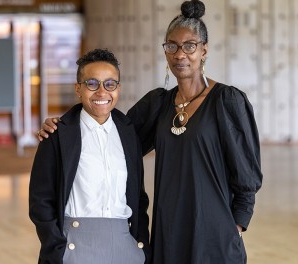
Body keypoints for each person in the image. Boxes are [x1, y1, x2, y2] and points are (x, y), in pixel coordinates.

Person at [38, 0, 263, 263]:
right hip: (169, 231)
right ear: (165, 51)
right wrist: (62, 126)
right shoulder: (158, 104)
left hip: (214, 230)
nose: (180, 54)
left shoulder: (227, 101)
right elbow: (111, 130)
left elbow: (247, 174)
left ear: (204, 50)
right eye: (172, 46)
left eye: (190, 46)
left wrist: (236, 225)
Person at [29, 48, 151, 264]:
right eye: (92, 83)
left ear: (118, 88)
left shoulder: (127, 133)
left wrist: (141, 246)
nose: (102, 92)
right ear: (78, 88)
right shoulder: (57, 134)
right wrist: (58, 250)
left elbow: (138, 198)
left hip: (125, 249)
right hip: (74, 248)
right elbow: (40, 201)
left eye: (110, 84)